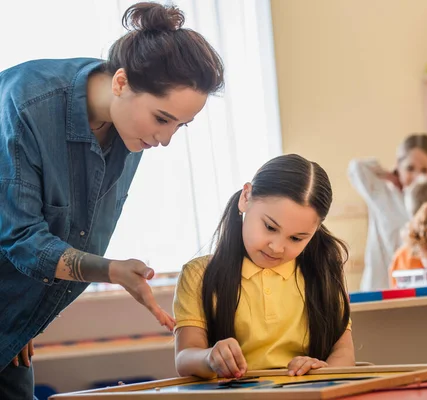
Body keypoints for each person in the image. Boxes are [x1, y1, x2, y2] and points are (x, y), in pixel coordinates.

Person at [0, 2, 224, 398]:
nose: (166, 139)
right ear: (120, 82)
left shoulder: (128, 128)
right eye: (161, 118)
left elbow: (65, 238)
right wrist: (111, 271)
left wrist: (24, 315)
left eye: (180, 126)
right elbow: (21, 239)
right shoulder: (26, 103)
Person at [173, 154, 354, 379]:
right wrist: (209, 357)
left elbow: (344, 352)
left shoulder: (324, 269)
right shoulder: (199, 274)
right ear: (246, 197)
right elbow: (184, 358)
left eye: (297, 239)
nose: (277, 248)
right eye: (269, 227)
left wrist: (322, 371)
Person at [347, 134, 427, 291]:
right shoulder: (381, 193)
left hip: (419, 288)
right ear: (398, 166)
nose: (416, 176)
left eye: (425, 170)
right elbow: (356, 167)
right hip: (379, 286)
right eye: (410, 168)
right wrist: (387, 174)